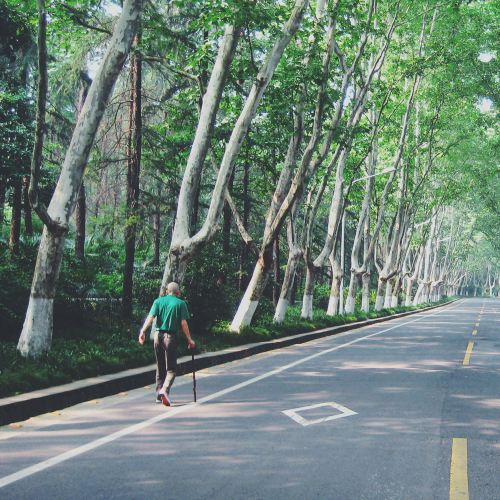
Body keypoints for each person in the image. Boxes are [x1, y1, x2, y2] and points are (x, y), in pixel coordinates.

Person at [138, 282, 195, 406]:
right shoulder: (180, 303)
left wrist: (143, 331)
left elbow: (150, 317)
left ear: (167, 291)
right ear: (178, 292)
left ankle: (159, 395)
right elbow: (183, 323)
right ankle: (165, 389)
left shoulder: (158, 302)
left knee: (160, 366)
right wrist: (189, 340)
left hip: (158, 336)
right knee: (171, 369)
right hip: (170, 337)